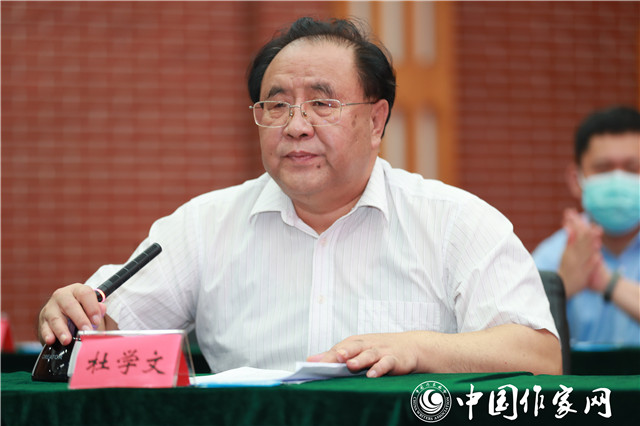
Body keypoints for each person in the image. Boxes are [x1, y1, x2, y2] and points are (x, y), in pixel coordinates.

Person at [38, 17, 561, 377]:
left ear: (376, 121)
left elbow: (539, 356)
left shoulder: (456, 222)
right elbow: (109, 336)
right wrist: (77, 319)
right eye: (277, 105)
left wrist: (415, 347)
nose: (296, 126)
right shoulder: (203, 226)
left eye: (322, 104)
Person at [533, 106, 640, 346]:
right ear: (576, 179)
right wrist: (561, 288)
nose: (618, 180)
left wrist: (608, 282)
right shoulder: (550, 258)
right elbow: (518, 339)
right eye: (603, 169)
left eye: (633, 168)